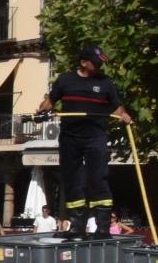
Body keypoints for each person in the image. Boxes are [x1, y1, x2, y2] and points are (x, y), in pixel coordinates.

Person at [39, 45, 131, 236]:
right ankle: (77, 226)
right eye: (95, 63)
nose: (99, 66)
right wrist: (42, 111)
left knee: (98, 177)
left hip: (95, 136)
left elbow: (117, 107)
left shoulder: (105, 83)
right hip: (70, 138)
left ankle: (103, 226)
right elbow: (50, 101)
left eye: (100, 63)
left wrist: (124, 115)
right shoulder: (66, 80)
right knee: (72, 179)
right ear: (83, 62)